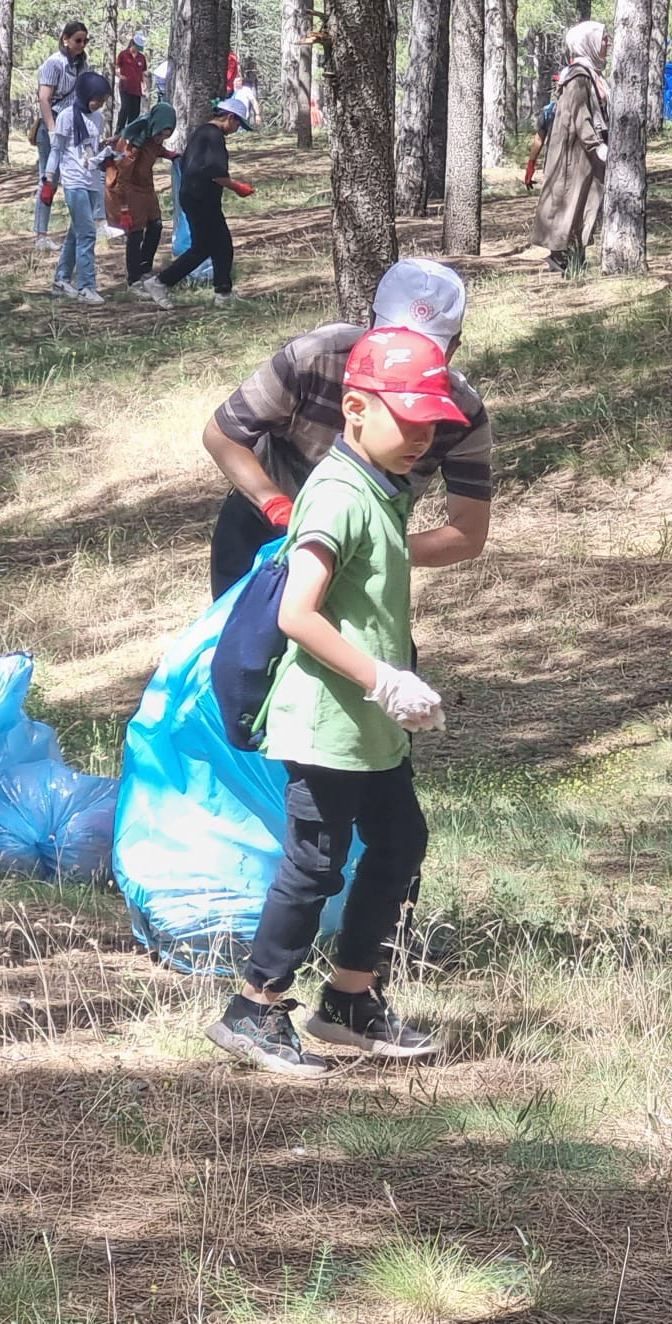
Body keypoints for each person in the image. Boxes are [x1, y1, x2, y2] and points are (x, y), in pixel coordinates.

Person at [204, 327, 466, 1077]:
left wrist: (393, 691)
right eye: (408, 417)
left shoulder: (384, 488)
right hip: (325, 722)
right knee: (314, 864)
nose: (423, 434)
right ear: (355, 408)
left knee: (399, 842)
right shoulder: (339, 492)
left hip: (368, 727)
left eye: (432, 421)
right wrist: (382, 678)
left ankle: (351, 999)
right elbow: (297, 612)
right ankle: (254, 1007)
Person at [203, 257, 493, 598]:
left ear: (455, 347)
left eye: (426, 351)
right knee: (246, 647)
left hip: (366, 554)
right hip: (262, 532)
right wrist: (278, 508)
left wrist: (371, 548)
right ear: (369, 322)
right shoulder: (315, 357)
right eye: (393, 340)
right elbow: (222, 433)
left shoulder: (462, 412)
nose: (403, 363)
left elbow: (468, 533)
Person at [137, 94, 255, 311]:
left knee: (217, 245)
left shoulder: (201, 132)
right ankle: (161, 282)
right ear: (230, 117)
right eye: (238, 124)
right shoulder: (213, 136)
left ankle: (223, 292)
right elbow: (215, 171)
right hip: (201, 199)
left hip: (195, 197)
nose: (236, 129)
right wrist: (238, 187)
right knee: (207, 247)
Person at [529, 21, 609, 273]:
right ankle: (561, 256)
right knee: (569, 202)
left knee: (584, 202)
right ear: (588, 43)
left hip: (584, 153)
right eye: (603, 38)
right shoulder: (578, 76)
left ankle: (575, 256)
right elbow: (579, 113)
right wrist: (595, 144)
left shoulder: (591, 74)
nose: (608, 43)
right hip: (575, 153)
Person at [48, 71, 112, 305]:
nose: (100, 104)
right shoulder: (65, 117)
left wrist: (106, 150)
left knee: (76, 233)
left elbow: (92, 147)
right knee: (87, 233)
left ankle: (61, 279)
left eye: (104, 100)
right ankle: (87, 286)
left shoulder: (98, 117)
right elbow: (57, 149)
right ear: (85, 95)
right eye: (97, 99)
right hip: (74, 181)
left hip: (92, 179)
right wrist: (48, 176)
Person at [33, 22, 91, 247]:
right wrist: (51, 129)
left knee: (78, 175)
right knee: (49, 178)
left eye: (85, 41)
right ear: (65, 39)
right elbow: (44, 99)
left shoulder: (82, 64)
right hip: (54, 124)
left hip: (74, 124)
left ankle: (81, 227)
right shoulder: (53, 64)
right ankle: (41, 234)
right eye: (78, 40)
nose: (82, 45)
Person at [109, 101, 176, 289]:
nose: (161, 139)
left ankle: (145, 266)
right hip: (130, 188)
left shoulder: (155, 139)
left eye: (166, 136)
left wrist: (169, 154)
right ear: (154, 127)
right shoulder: (136, 140)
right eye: (160, 135)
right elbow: (123, 171)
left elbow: (156, 150)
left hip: (146, 187)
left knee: (156, 225)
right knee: (136, 231)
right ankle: (134, 279)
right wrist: (123, 207)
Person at [522, 73, 561, 190]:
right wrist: (530, 167)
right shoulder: (548, 111)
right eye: (557, 85)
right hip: (553, 162)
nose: (558, 87)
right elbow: (538, 141)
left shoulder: (584, 109)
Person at [117, 32, 148, 130]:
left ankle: (130, 131)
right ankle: (119, 129)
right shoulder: (123, 54)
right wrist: (120, 76)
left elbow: (142, 73)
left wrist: (144, 84)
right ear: (133, 44)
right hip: (125, 87)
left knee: (135, 111)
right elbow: (117, 68)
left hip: (136, 88)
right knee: (125, 108)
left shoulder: (142, 58)